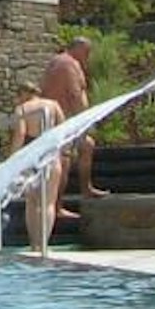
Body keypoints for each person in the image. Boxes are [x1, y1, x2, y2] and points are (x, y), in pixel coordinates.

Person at [41, 37, 109, 203]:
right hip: (64, 121)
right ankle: (56, 206)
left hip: (57, 120)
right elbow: (74, 94)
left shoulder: (56, 62)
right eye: (86, 51)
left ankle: (86, 189)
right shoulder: (69, 63)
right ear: (77, 48)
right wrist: (84, 121)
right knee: (64, 161)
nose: (88, 56)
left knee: (87, 146)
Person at [10, 82, 68, 257]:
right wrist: (65, 152)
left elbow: (20, 134)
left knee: (32, 202)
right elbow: (64, 129)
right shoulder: (53, 105)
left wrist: (13, 159)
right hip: (50, 155)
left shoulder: (22, 109)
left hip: (31, 156)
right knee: (48, 202)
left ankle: (34, 243)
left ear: (23, 94)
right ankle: (44, 243)